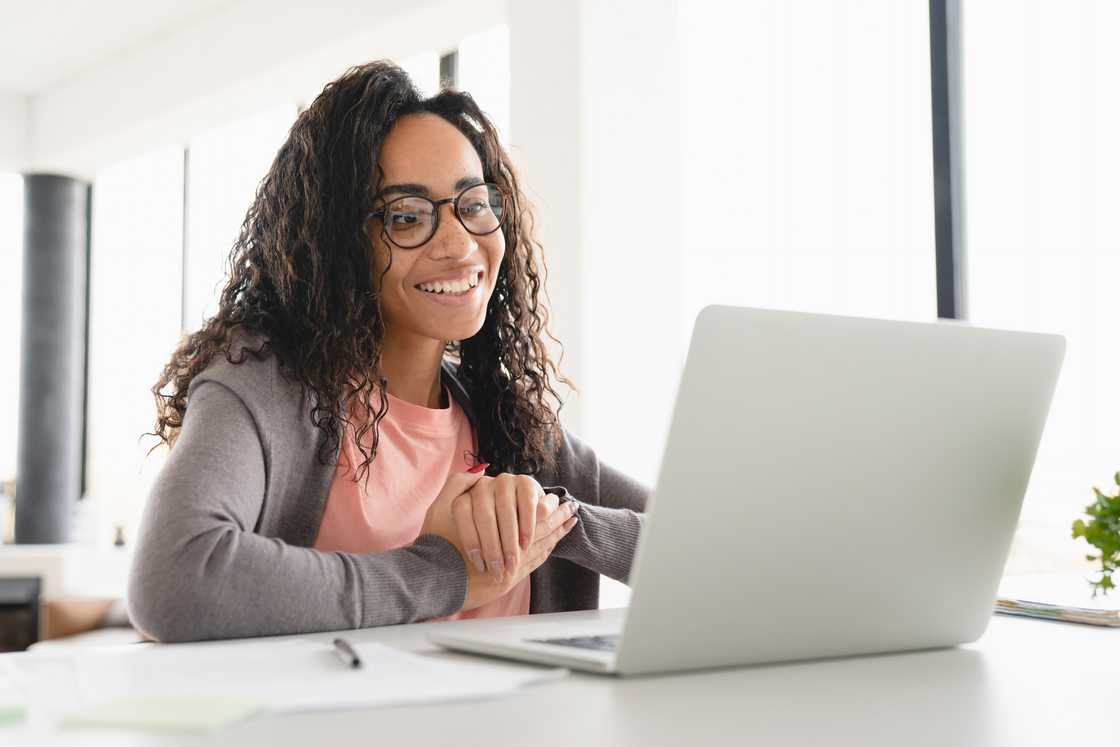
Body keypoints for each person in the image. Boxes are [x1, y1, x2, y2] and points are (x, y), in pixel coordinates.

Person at [127, 60, 649, 643]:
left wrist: (547, 521)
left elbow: (730, 545)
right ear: (337, 244)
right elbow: (174, 580)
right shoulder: (263, 388)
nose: (459, 244)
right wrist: (443, 571)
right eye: (406, 216)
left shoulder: (508, 419)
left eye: (473, 204)